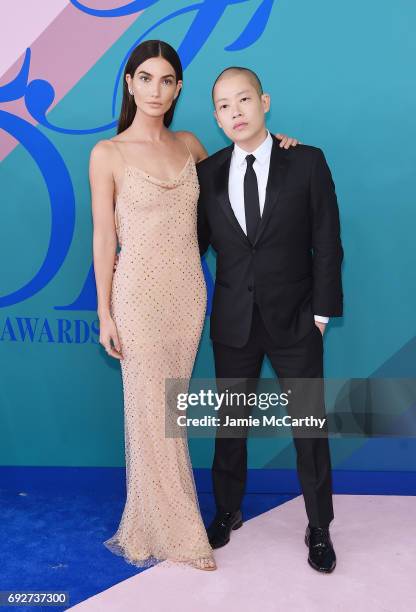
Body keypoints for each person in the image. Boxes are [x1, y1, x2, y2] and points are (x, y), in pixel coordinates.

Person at [91, 39, 299, 571]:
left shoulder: (192, 145)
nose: (155, 90)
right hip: (135, 295)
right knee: (149, 410)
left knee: (171, 410)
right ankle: (172, 527)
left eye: (166, 81)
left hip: (187, 293)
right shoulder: (107, 153)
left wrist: (281, 151)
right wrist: (105, 313)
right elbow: (103, 238)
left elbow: (241, 180)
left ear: (178, 88)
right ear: (130, 83)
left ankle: (165, 517)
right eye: (146, 79)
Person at [197, 67, 343, 573]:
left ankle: (319, 526)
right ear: (215, 115)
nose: (234, 112)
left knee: (308, 426)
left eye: (243, 100)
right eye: (222, 105)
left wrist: (321, 314)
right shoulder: (207, 173)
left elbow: (326, 241)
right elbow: (193, 245)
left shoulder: (304, 161)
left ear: (264, 102)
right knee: (230, 424)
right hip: (234, 321)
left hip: (297, 320)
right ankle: (227, 511)